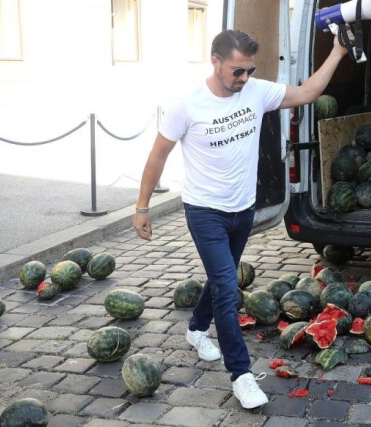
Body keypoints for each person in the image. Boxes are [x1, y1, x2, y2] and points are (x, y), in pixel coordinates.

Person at [133, 29, 348, 409]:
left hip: (242, 210)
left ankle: (197, 330)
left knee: (223, 278)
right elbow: (157, 155)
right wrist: (142, 206)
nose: (244, 78)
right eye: (237, 71)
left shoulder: (255, 91)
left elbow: (307, 93)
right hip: (205, 212)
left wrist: (338, 52)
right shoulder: (187, 105)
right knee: (227, 290)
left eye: (250, 70)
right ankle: (242, 375)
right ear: (215, 61)